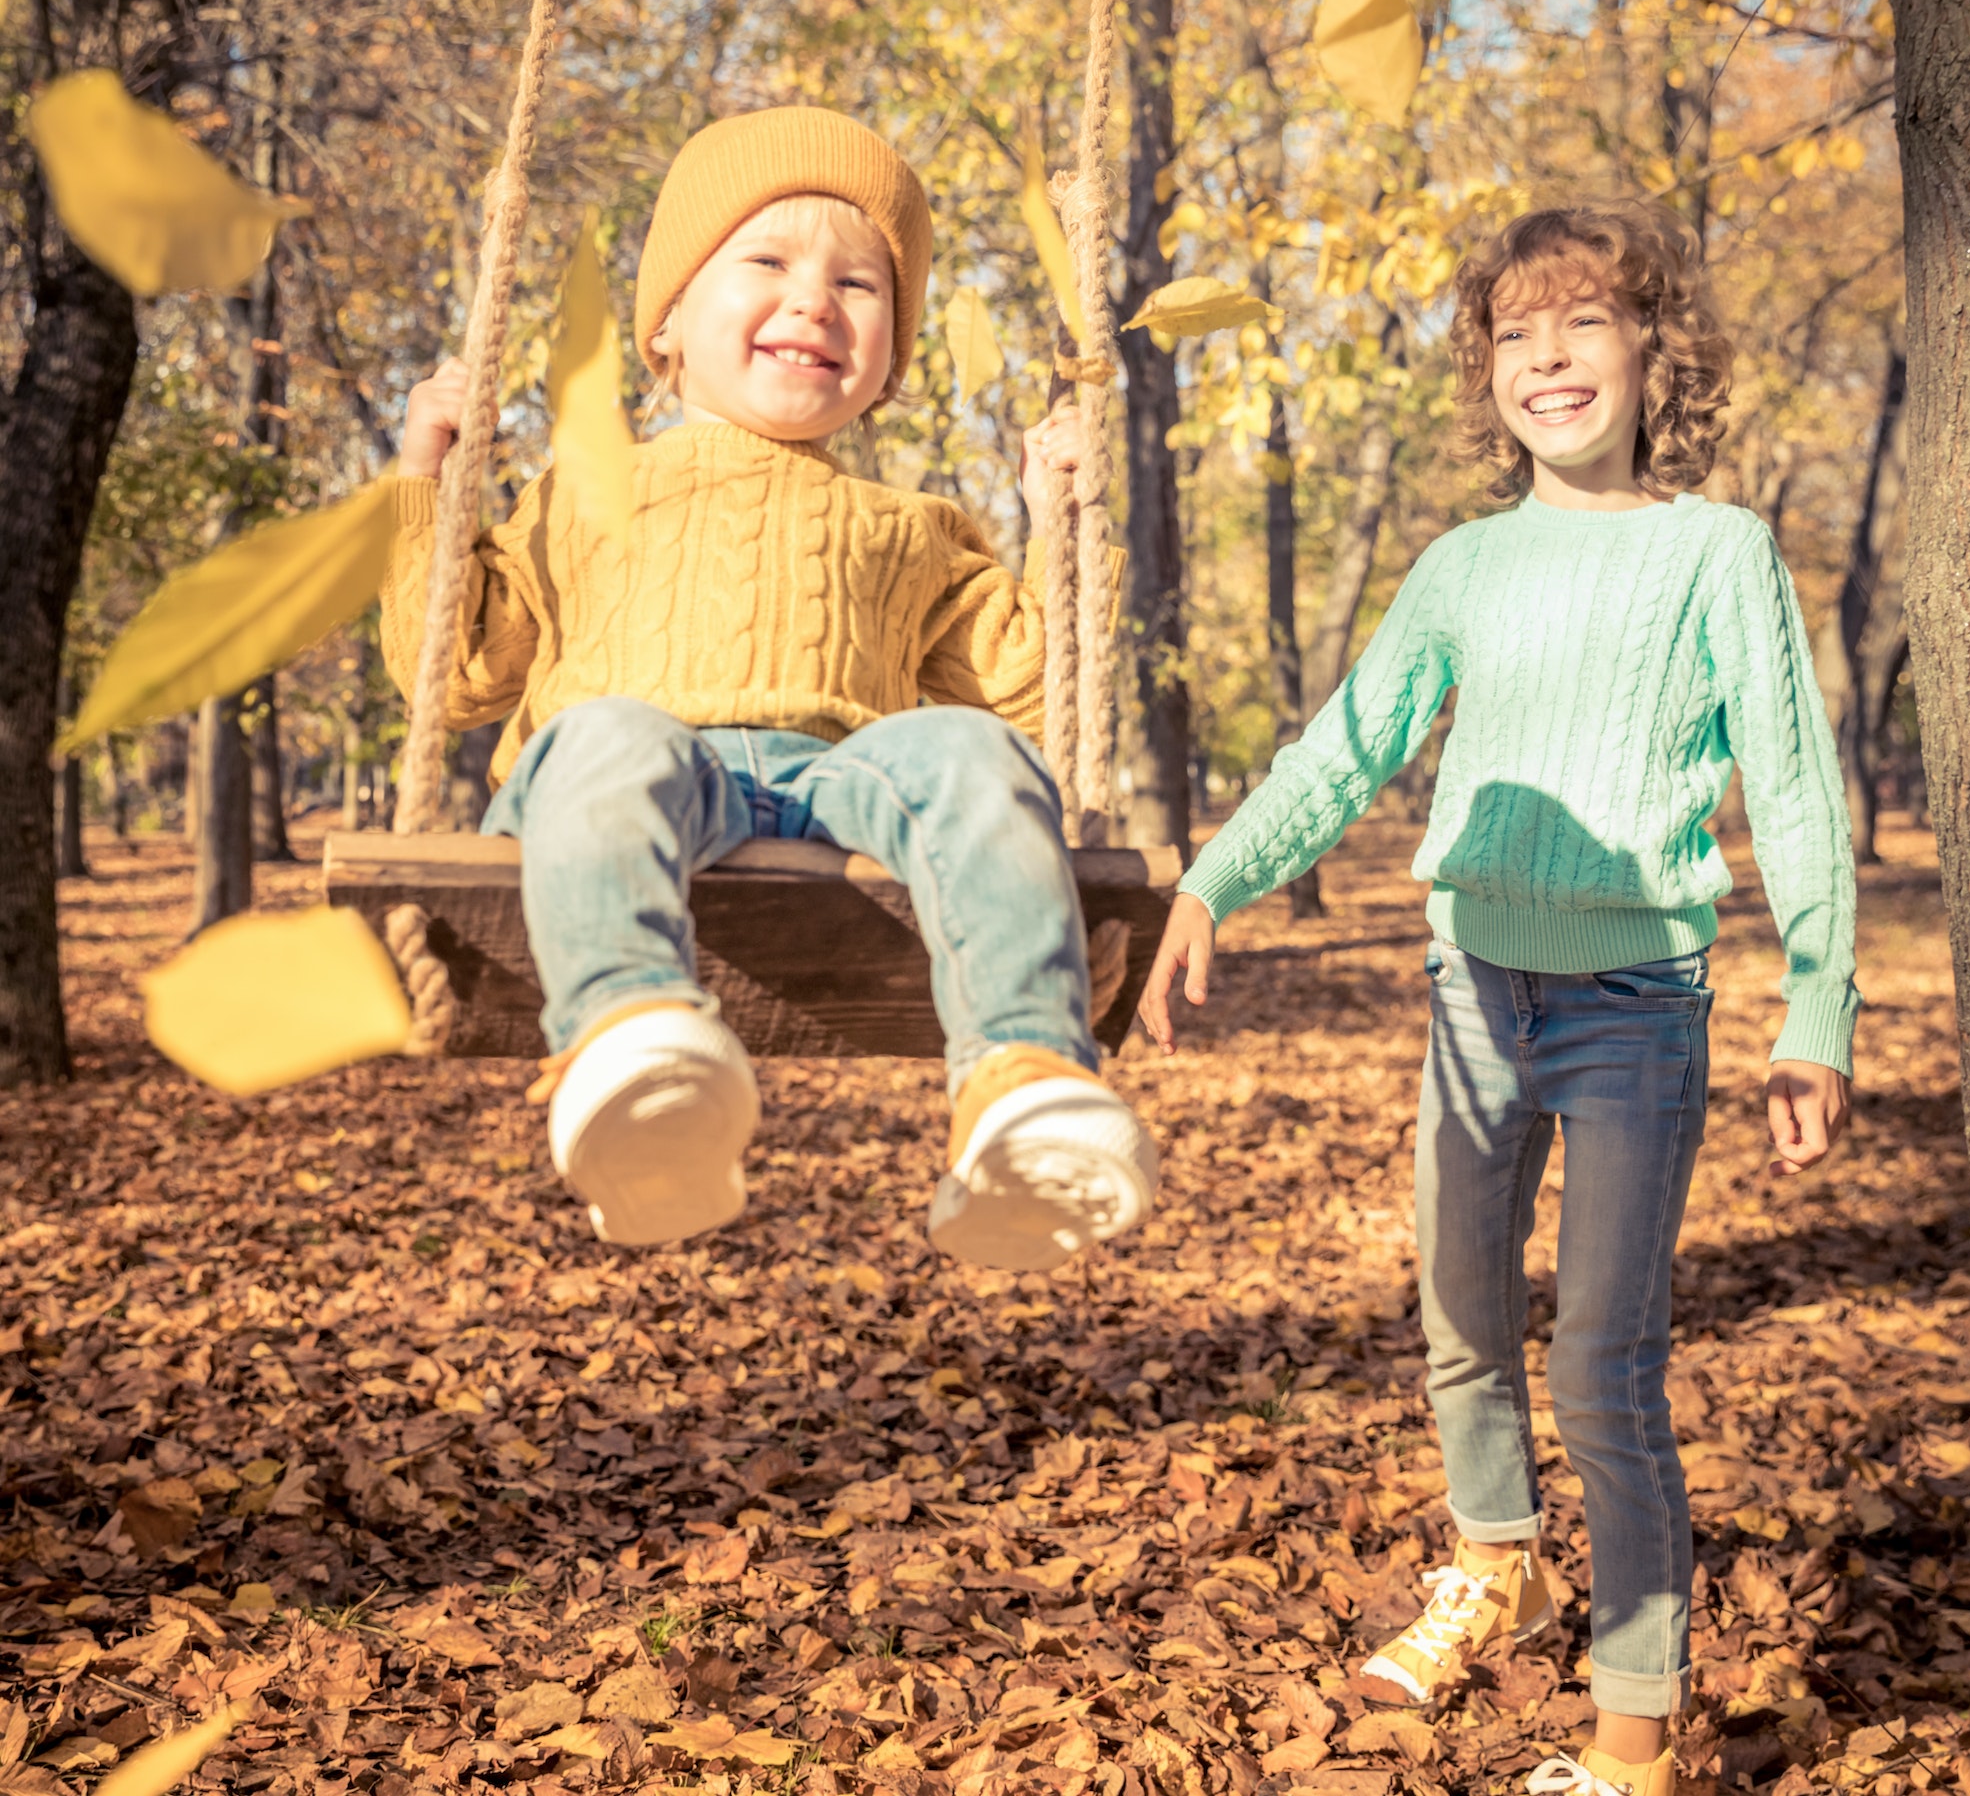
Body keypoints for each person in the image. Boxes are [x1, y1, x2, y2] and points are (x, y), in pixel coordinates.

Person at [1138, 202, 1856, 1796]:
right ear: (1487, 374)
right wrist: (1210, 880)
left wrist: (1820, 1003)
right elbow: (1347, 748)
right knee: (1462, 1324)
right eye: (1515, 334)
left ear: (1650, 353)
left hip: (1635, 1006)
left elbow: (1795, 790)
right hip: (1473, 991)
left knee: (1603, 1362)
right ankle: (1498, 1563)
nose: (1548, 355)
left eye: (1583, 321)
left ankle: (1632, 1737)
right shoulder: (1462, 565)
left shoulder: (1716, 553)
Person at [384, 105, 1157, 1273]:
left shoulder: (915, 528)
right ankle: (633, 1039)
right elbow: (457, 671)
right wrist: (426, 479)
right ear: (665, 328)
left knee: (970, 756)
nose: (814, 300)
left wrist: (1063, 523)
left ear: (889, 357)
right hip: (635, 782)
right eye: (766, 262)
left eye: (860, 284)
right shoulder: (575, 490)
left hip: (845, 778)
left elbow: (1032, 693)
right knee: (606, 738)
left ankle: (1023, 1085)